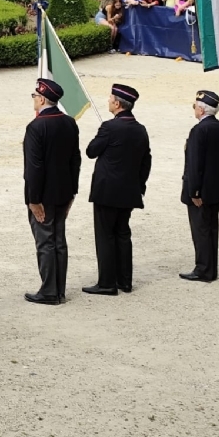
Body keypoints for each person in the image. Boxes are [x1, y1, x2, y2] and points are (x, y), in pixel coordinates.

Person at [83, 84, 151, 296]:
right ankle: (125, 281)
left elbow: (91, 151)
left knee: (105, 236)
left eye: (111, 98)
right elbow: (146, 161)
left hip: (107, 191)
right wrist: (140, 185)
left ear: (117, 103)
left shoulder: (109, 127)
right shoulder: (140, 129)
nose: (108, 101)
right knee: (122, 234)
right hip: (129, 190)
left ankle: (107, 283)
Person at [23, 78, 81, 305]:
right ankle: (59, 289)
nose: (34, 100)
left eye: (35, 96)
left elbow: (34, 168)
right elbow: (74, 160)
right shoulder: (68, 122)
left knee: (46, 242)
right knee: (59, 241)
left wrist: (33, 199)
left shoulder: (36, 127)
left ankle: (49, 290)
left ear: (43, 98)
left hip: (44, 195)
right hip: (63, 191)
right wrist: (72, 192)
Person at [180, 90, 219, 282]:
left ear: (201, 110)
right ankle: (209, 268)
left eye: (195, 106)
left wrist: (194, 191)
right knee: (211, 229)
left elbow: (195, 164)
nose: (194, 109)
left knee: (201, 230)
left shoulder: (199, 130)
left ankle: (203, 269)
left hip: (200, 191)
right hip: (216, 188)